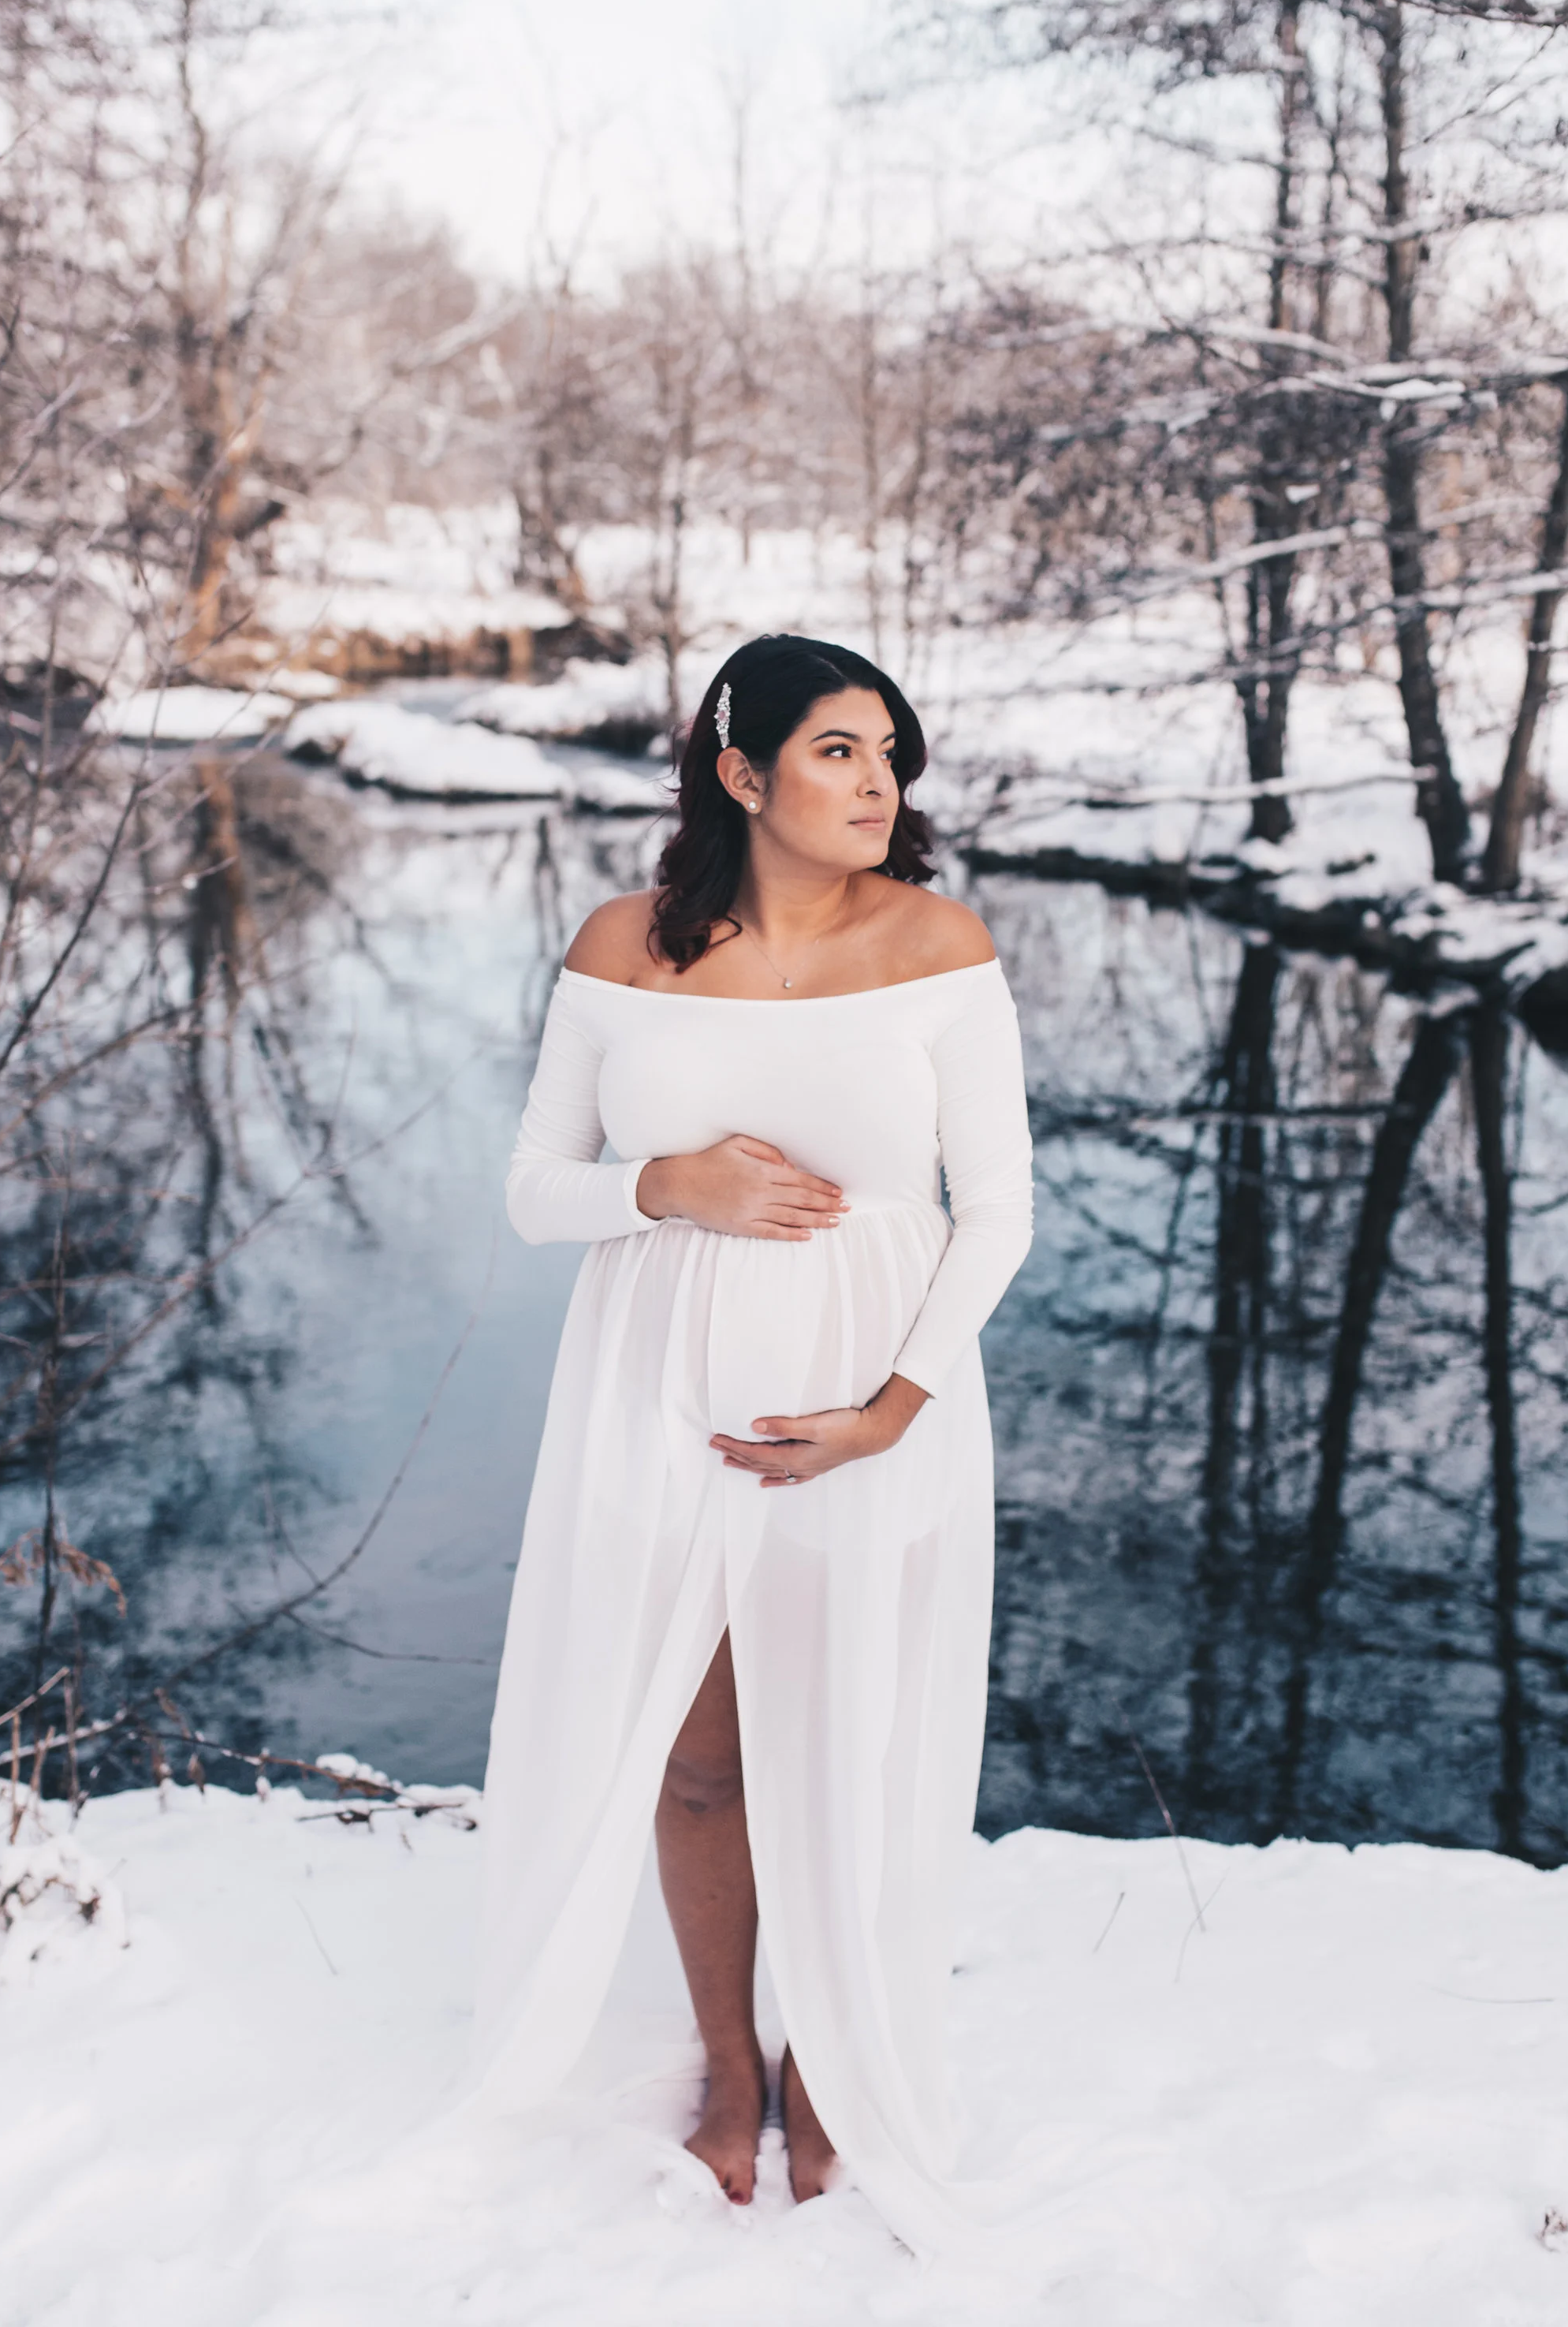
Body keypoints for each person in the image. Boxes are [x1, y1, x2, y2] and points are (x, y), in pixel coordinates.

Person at [467, 631, 1034, 2252]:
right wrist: (664, 1186)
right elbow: (527, 1189)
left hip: (874, 1401)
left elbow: (992, 1213)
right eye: (839, 750)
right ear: (739, 769)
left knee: (849, 1748)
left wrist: (887, 1412)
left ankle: (838, 2060)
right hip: (653, 1398)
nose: (878, 783)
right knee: (700, 1757)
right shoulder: (620, 947)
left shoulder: (934, 942)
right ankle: (731, 2061)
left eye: (887, 753)